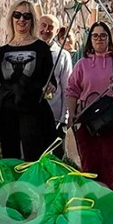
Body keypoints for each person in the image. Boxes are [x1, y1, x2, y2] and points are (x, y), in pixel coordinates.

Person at [65, 21, 113, 191]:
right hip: (87, 123)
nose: (99, 39)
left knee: (108, 167)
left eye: (103, 35)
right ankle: (89, 201)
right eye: (95, 35)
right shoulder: (82, 65)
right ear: (90, 39)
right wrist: (71, 115)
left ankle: (106, 200)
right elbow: (72, 90)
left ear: (109, 39)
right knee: (88, 166)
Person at [0, 1, 57, 160]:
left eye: (26, 16)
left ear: (32, 21)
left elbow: (50, 79)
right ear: (12, 18)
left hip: (33, 110)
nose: (21, 19)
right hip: (7, 111)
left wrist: (50, 86)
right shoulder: (3, 50)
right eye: (17, 15)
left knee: (34, 156)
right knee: (10, 156)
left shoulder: (41, 48)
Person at [38, 13, 75, 156]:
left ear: (57, 31)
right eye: (43, 25)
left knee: (55, 159)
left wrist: (65, 117)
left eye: (51, 27)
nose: (46, 30)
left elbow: (67, 88)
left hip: (55, 117)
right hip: (32, 115)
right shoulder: (31, 51)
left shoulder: (63, 55)